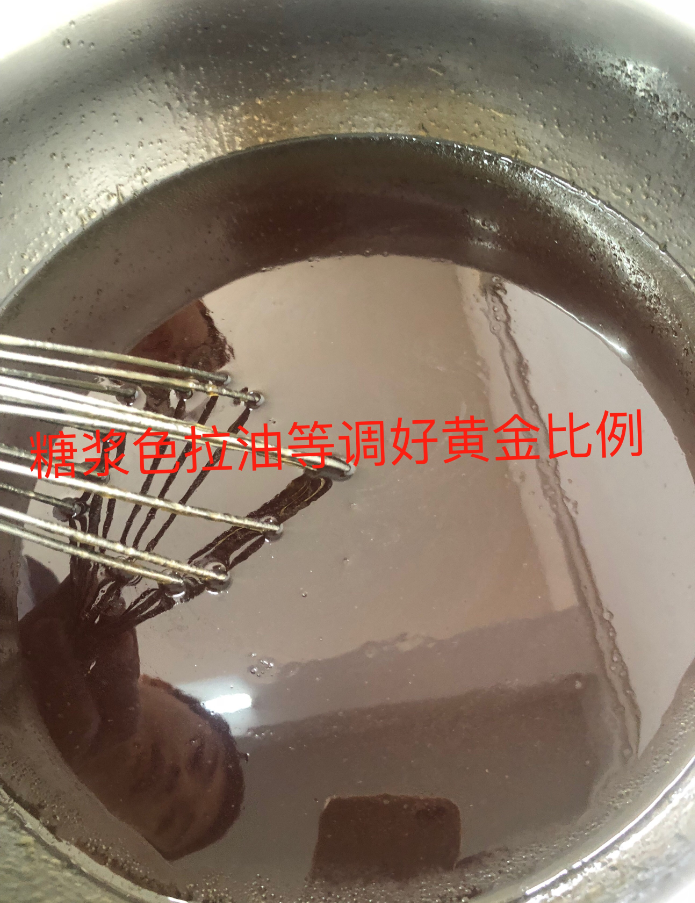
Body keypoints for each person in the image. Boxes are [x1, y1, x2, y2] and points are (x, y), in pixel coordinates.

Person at [19, 564, 245, 861]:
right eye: (198, 757)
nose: (177, 782)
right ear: (160, 686)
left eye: (169, 820)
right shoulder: (31, 579)